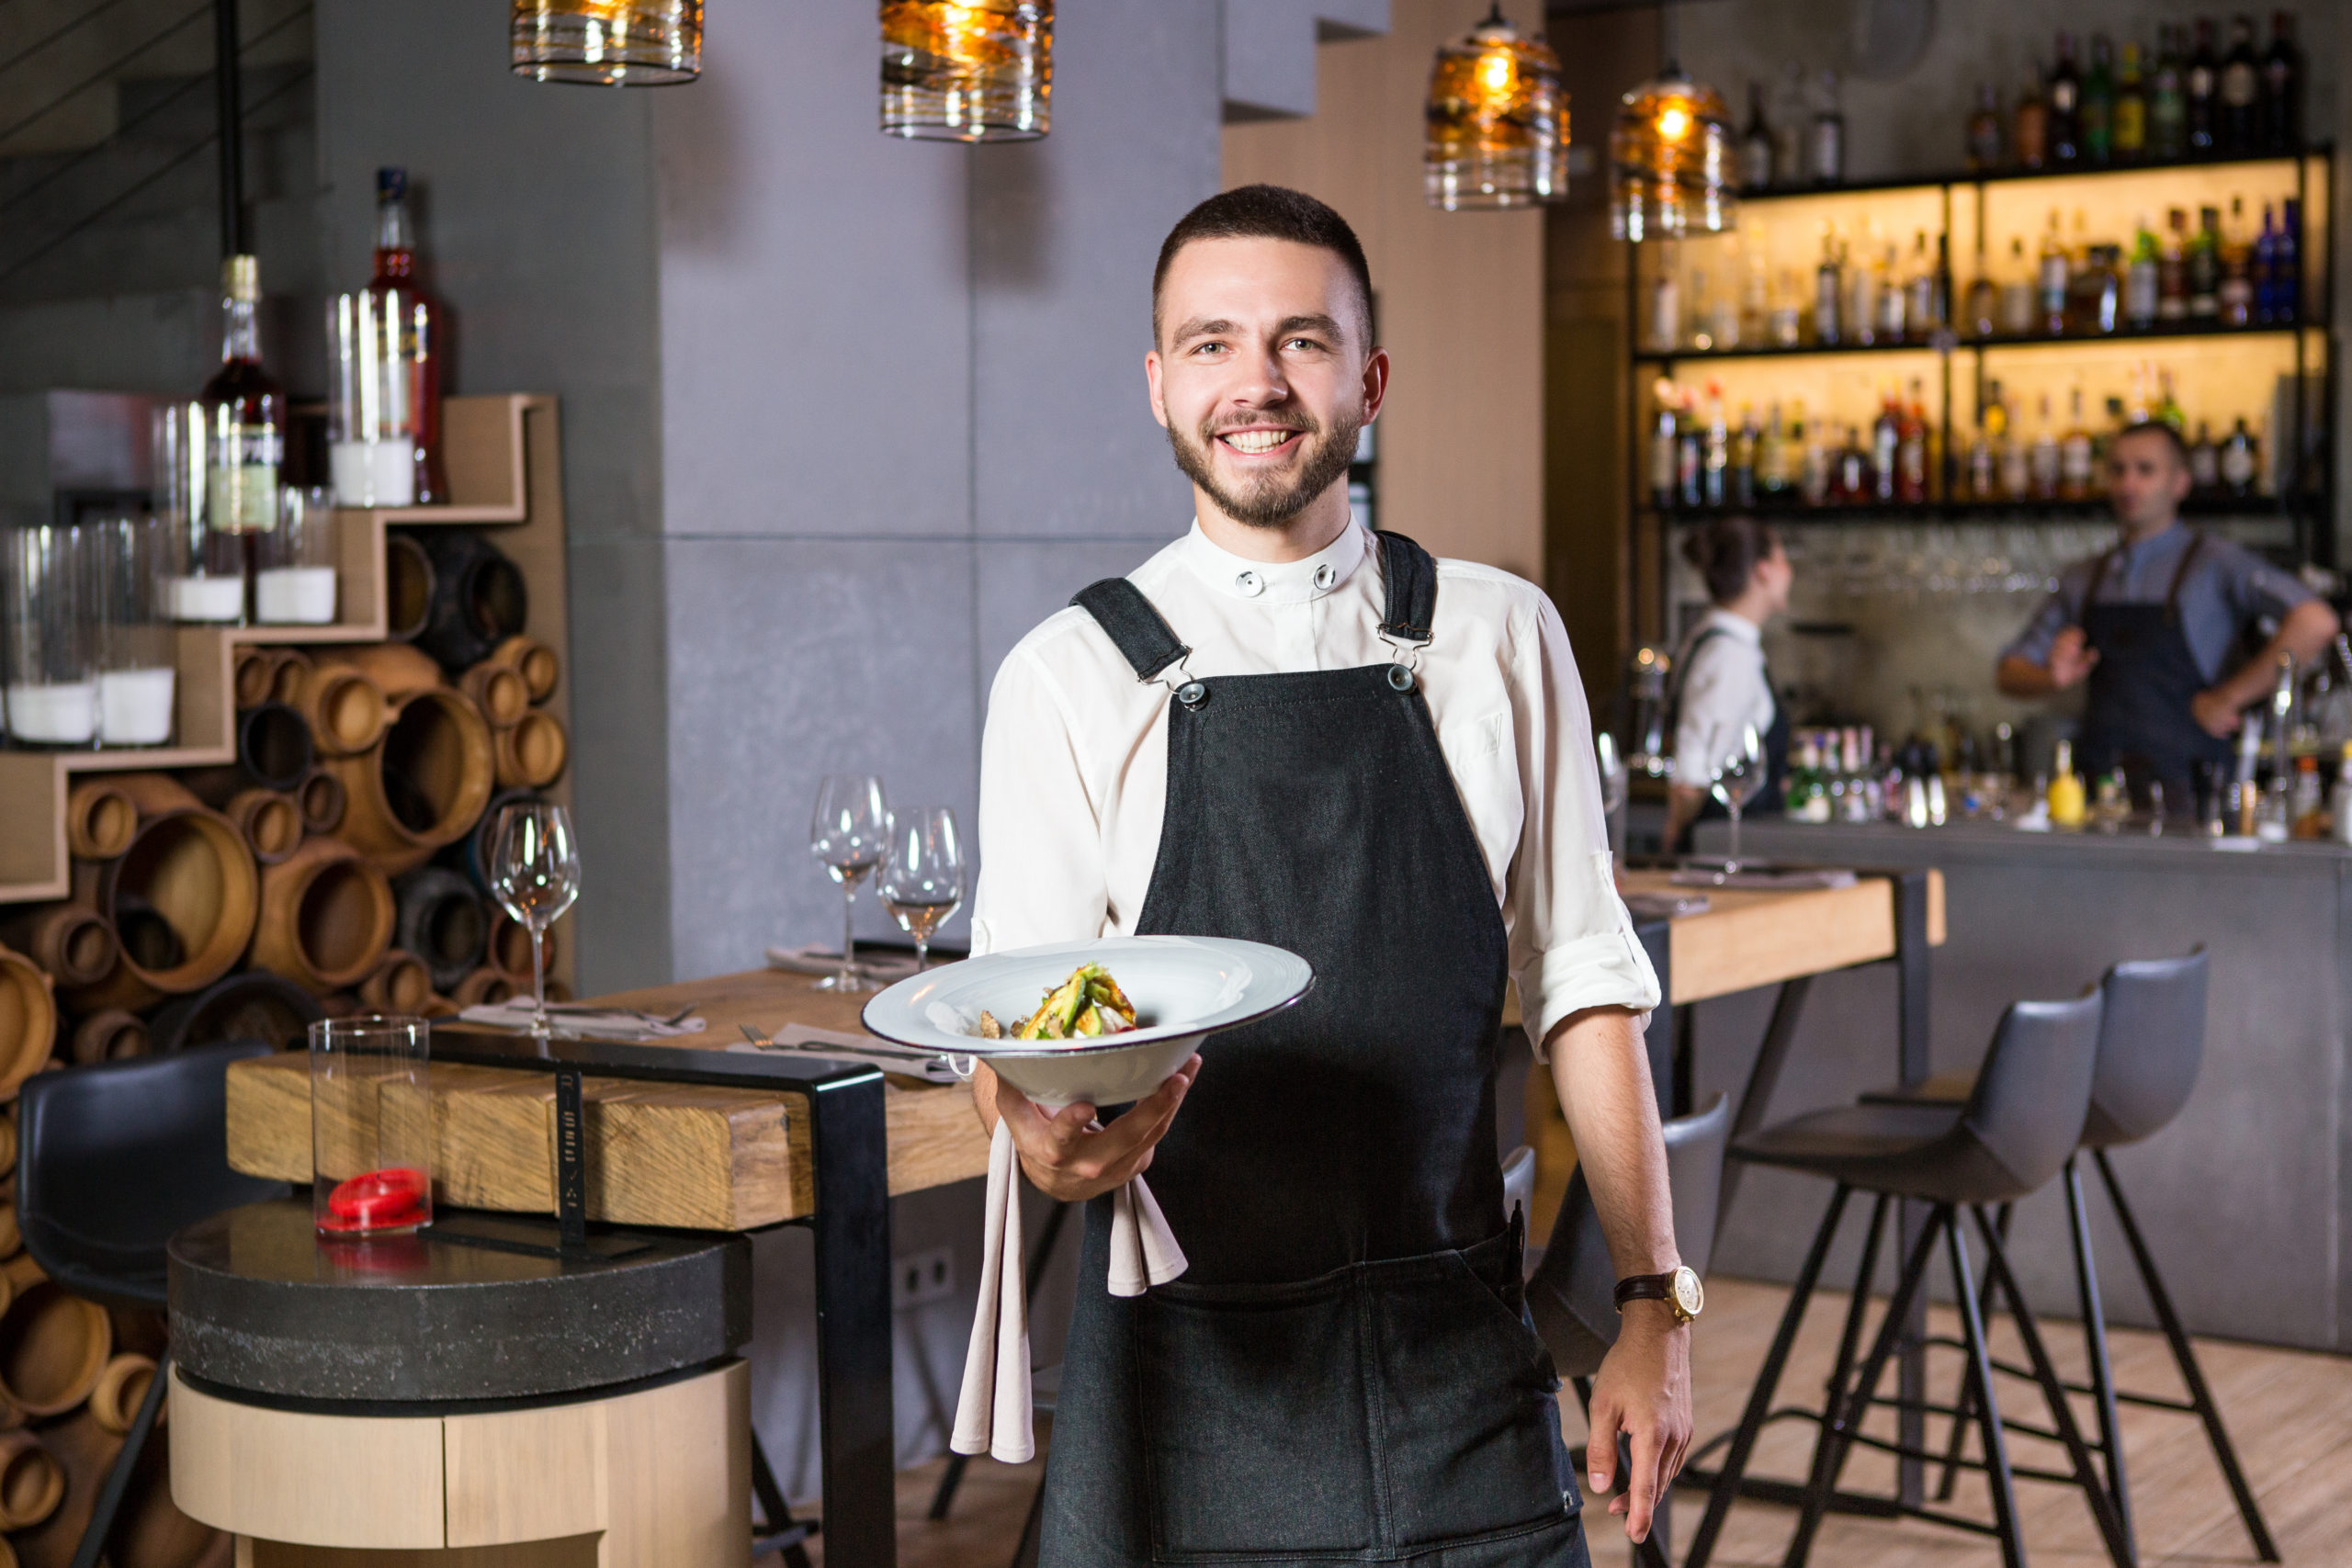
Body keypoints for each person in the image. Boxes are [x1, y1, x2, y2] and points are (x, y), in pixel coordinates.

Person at [967, 185, 1690, 1568]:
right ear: (1157, 383)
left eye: (1301, 342)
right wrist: (1043, 1137)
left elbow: (1585, 985)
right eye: (1212, 343)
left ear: (1369, 378)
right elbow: (1025, 1026)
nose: (1257, 382)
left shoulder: (1497, 635)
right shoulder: (1070, 674)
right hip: (1186, 1376)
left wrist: (1654, 1302)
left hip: (1454, 1345)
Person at [1997, 421, 2337, 801]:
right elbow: (2009, 673)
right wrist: (2050, 678)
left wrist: (2229, 697)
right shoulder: (2084, 577)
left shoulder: (2216, 563)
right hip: (2101, 795)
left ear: (2180, 482)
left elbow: (2315, 621)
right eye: (2118, 470)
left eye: (2145, 470)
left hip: (2193, 794)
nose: (2128, 484)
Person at [1661, 516, 1793, 853]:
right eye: (1783, 559)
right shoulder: (1730, 655)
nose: (1789, 571)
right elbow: (1691, 773)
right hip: (1722, 849)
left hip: (1725, 843)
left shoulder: (1716, 639)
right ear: (1762, 571)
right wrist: (1674, 836)